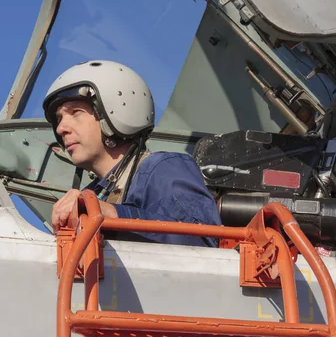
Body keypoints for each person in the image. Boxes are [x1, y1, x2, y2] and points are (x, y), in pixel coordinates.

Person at [42, 60, 221, 247]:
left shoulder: (161, 169)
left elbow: (201, 242)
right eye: (59, 119)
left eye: (76, 112)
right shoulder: (95, 194)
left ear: (116, 111)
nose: (61, 128)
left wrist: (112, 215)